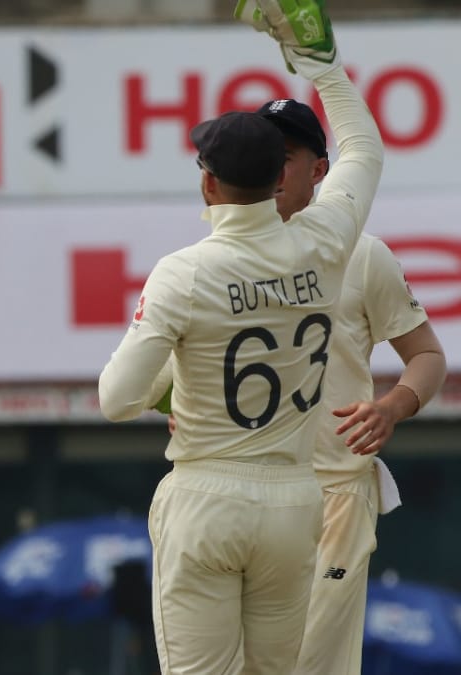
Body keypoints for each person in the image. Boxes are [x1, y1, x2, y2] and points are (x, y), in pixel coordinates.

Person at [97, 2, 385, 672]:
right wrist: (322, 65)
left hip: (207, 496)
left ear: (207, 179)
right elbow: (364, 148)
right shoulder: (327, 242)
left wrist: (170, 387)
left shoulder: (182, 272)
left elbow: (116, 399)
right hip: (293, 499)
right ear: (280, 176)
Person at [256, 97, 447, 675]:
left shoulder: (363, 257)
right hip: (247, 491)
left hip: (337, 491)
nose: (270, 171)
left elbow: (428, 357)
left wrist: (392, 406)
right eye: (261, 155)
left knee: (311, 663)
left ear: (320, 171)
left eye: (285, 157)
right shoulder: (219, 259)